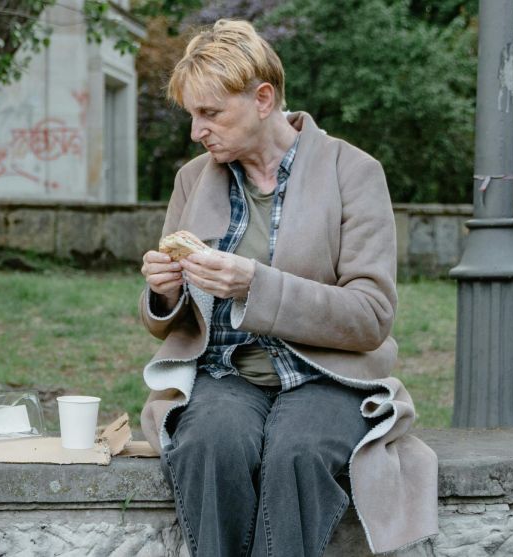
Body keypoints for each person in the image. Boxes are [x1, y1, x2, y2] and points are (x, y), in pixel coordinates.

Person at [136, 19, 438, 557]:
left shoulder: (355, 172)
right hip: (226, 371)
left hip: (326, 373)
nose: (196, 131)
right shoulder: (193, 179)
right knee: (210, 444)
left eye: (210, 113)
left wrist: (257, 286)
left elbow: (371, 315)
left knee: (297, 451)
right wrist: (164, 293)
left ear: (262, 98)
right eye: (192, 115)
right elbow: (178, 319)